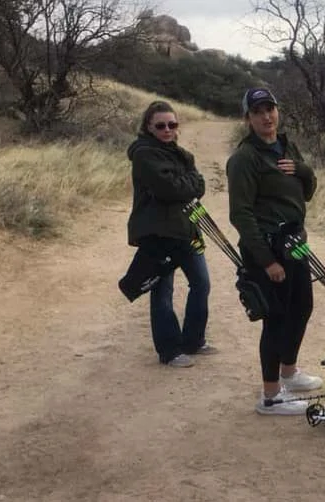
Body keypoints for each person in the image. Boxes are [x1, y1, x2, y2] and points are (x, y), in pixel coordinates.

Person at [226, 88, 323, 415]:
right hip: (267, 247)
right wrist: (266, 261)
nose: (266, 116)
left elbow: (307, 192)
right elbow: (240, 214)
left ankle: (289, 372)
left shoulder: (286, 146)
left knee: (302, 307)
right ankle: (271, 396)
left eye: (270, 109)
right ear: (248, 118)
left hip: (295, 241)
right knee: (276, 318)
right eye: (258, 111)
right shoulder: (244, 158)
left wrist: (303, 171)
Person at [127, 100, 215, 368]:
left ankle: (193, 340)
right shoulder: (144, 154)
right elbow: (169, 189)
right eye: (161, 125)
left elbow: (198, 185)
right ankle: (169, 350)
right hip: (158, 233)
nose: (167, 130)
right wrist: (186, 184)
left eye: (172, 125)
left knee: (201, 283)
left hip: (186, 228)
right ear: (149, 127)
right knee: (162, 289)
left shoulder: (181, 154)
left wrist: (185, 184)